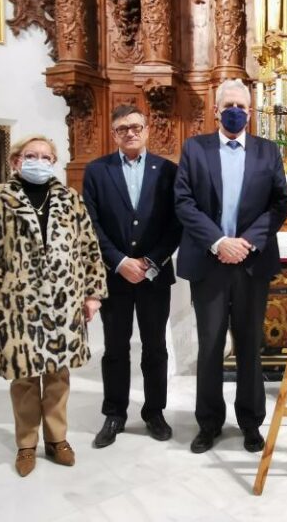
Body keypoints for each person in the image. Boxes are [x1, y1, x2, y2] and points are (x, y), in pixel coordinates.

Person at [0, 136, 106, 477]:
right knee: (24, 377)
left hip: (63, 305)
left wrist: (92, 293)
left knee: (58, 375)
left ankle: (57, 440)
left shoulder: (70, 199)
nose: (38, 161)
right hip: (16, 308)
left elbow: (88, 247)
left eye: (45, 157)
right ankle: (26, 444)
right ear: (16, 161)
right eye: (30, 155)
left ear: (53, 162)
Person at [175, 79, 287, 454]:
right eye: (229, 106)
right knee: (210, 346)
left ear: (250, 113)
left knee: (250, 344)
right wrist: (219, 241)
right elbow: (184, 201)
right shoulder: (195, 148)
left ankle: (251, 422)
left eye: (241, 106)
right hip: (208, 261)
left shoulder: (268, 151)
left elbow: (279, 204)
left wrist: (246, 242)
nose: (235, 111)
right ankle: (208, 423)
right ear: (216, 111)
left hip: (251, 263)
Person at [83, 105, 182, 449]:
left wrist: (151, 261)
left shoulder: (168, 170)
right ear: (114, 133)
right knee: (114, 348)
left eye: (136, 126)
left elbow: (177, 222)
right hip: (114, 277)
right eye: (122, 128)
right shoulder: (97, 171)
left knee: (155, 347)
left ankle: (154, 412)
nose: (130, 132)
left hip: (155, 276)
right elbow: (91, 223)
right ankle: (115, 413)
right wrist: (120, 261)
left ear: (147, 129)